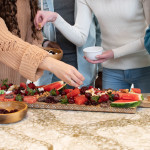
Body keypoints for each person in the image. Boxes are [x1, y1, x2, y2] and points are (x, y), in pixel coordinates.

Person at [35, 0, 150, 93]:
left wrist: (114, 53)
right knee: (111, 119)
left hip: (144, 66)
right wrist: (55, 18)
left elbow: (148, 37)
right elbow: (80, 38)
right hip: (111, 70)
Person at [0, 0, 84, 87]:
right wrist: (51, 64)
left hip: (14, 89)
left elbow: (31, 36)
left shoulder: (28, 2)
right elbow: (4, 42)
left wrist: (43, 43)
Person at [37, 0, 101, 88]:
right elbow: (35, 27)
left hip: (83, 72)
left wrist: (101, 71)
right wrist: (44, 42)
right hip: (52, 70)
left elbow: (100, 31)